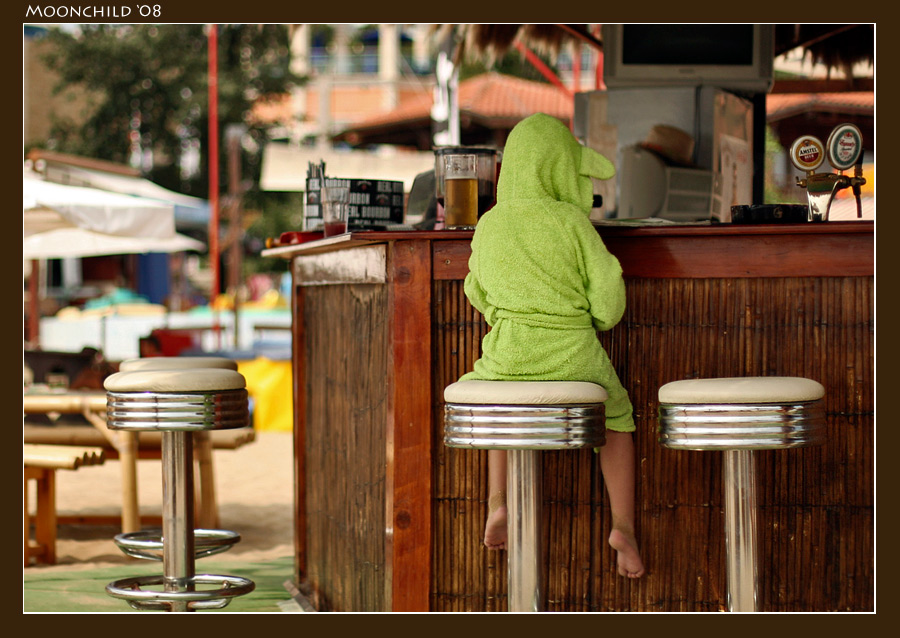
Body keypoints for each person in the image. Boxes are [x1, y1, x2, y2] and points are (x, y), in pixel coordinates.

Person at [458, 113, 645, 578]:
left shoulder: (489, 223)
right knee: (617, 418)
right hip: (574, 355)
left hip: (506, 354)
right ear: (563, 168)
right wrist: (594, 319)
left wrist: (505, 317)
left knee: (500, 409)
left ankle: (498, 503)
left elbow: (475, 289)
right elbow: (608, 296)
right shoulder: (571, 221)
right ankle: (623, 525)